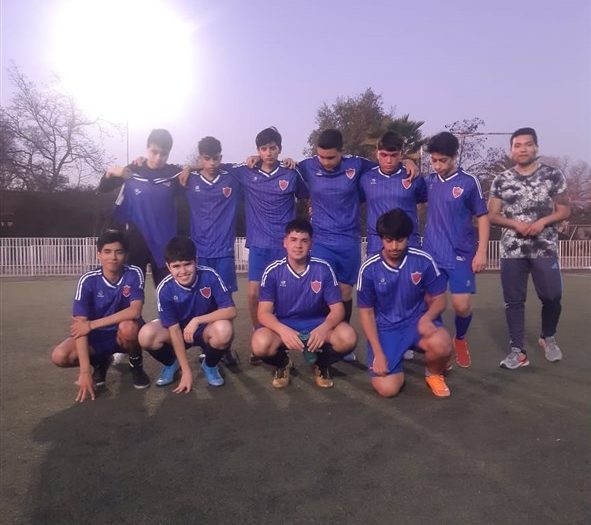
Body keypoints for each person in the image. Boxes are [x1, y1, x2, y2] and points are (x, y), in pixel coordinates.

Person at [488, 127, 571, 369]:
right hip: (512, 250)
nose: (522, 149)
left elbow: (565, 210)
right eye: (517, 145)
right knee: (514, 301)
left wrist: (543, 222)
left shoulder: (553, 175)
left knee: (552, 296)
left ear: (536, 147)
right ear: (511, 150)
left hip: (544, 248)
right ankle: (518, 351)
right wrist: (515, 224)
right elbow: (492, 215)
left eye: (527, 144)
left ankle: (548, 337)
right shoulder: (501, 179)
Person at [357, 209, 452, 398]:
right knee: (387, 389)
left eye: (400, 240)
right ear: (381, 239)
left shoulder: (423, 260)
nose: (394, 246)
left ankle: (433, 373)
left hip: (417, 324)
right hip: (386, 329)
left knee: (442, 343)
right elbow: (366, 313)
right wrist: (379, 353)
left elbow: (440, 299)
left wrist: (427, 318)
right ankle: (395, 359)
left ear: (408, 238)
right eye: (389, 240)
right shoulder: (369, 269)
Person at [251, 219, 357, 388]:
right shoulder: (272, 271)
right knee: (259, 344)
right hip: (286, 325)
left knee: (348, 337)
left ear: (311, 244)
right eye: (293, 240)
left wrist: (323, 329)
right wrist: (283, 330)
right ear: (285, 242)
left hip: (317, 325)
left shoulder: (323, 268)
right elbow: (263, 313)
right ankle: (283, 363)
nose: (298, 245)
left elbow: (338, 309)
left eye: (304, 241)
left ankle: (320, 363)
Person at [50, 229, 150, 401]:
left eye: (119, 252)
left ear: (126, 255)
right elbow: (80, 326)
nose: (113, 257)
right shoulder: (88, 280)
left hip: (122, 335)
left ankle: (136, 364)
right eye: (107, 252)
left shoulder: (133, 273)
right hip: (97, 338)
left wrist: (91, 325)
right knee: (59, 356)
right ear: (99, 255)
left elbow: (135, 311)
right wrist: (84, 372)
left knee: (129, 327)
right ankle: (100, 362)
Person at [422, 131, 489, 368]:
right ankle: (440, 348)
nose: (437, 165)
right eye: (434, 160)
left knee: (461, 305)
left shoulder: (468, 182)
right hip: (433, 253)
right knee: (432, 303)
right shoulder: (429, 181)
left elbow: (482, 216)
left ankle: (460, 338)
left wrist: (481, 252)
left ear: (454, 157)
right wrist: (408, 161)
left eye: (443, 160)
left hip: (461, 253)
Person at [139, 236, 236, 392]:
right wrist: (186, 371)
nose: (183, 271)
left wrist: (197, 320)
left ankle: (210, 365)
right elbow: (174, 329)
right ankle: (172, 364)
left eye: (187, 264)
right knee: (146, 335)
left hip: (205, 331)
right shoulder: (165, 288)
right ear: (168, 267)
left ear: (195, 261)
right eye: (176, 266)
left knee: (224, 329)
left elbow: (230, 310)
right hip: (178, 332)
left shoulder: (210, 275)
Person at [182, 136, 241, 365]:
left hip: (224, 252)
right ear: (200, 158)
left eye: (216, 158)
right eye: (207, 158)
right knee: (201, 301)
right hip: (199, 253)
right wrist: (188, 167)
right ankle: (206, 346)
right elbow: (161, 172)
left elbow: (251, 165)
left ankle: (225, 348)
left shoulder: (232, 177)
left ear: (221, 157)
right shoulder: (188, 179)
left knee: (225, 302)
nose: (212, 163)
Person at [98, 129, 183, 286]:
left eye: (163, 154)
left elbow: (203, 171)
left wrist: (190, 168)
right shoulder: (133, 170)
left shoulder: (175, 174)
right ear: (147, 147)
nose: (158, 158)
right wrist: (110, 172)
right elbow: (103, 188)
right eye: (154, 152)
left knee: (168, 291)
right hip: (136, 240)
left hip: (164, 243)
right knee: (131, 291)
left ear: (169, 153)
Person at [360, 131, 427, 256]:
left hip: (409, 245)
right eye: (384, 155)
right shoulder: (366, 178)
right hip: (377, 247)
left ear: (401, 154)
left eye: (393, 155)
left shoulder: (413, 176)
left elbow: (427, 202)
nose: (388, 160)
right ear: (377, 153)